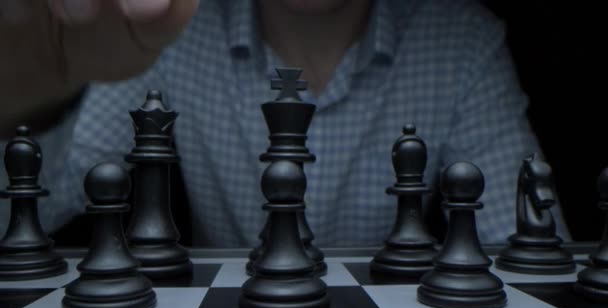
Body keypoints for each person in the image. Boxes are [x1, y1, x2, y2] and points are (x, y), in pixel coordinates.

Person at [0, 0, 570, 246]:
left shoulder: (461, 42)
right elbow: (34, 204)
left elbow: (530, 250)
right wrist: (31, 95)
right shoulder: (166, 40)